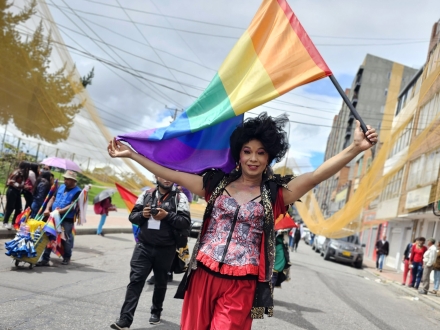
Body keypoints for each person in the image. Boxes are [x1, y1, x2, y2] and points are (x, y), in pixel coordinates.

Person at [108, 113, 377, 329]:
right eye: (247, 151)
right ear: (238, 154)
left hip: (242, 284)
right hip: (203, 274)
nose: (253, 158)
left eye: (261, 153)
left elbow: (316, 176)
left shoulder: (275, 194)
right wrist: (132, 154)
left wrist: (355, 148)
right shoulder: (214, 183)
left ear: (269, 157)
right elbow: (173, 174)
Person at [110, 177, 190, 329]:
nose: (166, 179)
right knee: (135, 281)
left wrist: (167, 215)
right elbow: (132, 216)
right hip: (143, 247)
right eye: (162, 175)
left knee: (160, 282)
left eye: (169, 176)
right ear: (156, 177)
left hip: (166, 249)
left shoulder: (180, 197)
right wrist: (143, 215)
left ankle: (156, 312)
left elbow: (185, 222)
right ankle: (125, 320)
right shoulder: (146, 194)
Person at [37, 170, 81, 266]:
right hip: (53, 215)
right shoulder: (61, 187)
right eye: (65, 179)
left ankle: (67, 257)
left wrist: (59, 212)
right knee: (49, 235)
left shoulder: (78, 191)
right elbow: (52, 198)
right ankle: (45, 259)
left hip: (66, 219)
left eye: (68, 179)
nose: (66, 181)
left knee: (66, 238)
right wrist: (47, 209)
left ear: (73, 181)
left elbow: (72, 205)